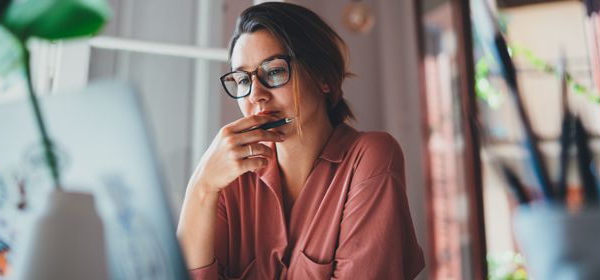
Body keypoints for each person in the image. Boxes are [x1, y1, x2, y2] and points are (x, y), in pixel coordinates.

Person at [176, 2, 424, 279]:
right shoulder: (230, 179)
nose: (255, 94)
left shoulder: (370, 158)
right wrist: (202, 186)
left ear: (322, 77)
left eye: (274, 71)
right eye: (243, 80)